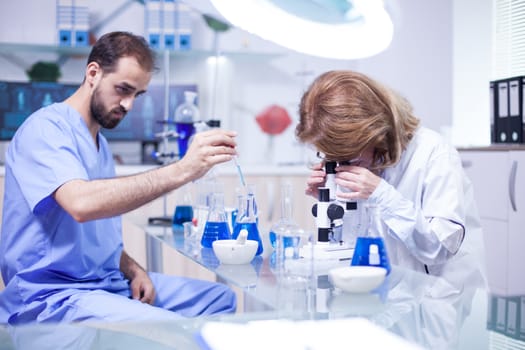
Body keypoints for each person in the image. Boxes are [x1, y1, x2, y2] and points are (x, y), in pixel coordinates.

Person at [0, 31, 238, 324]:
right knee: (163, 327)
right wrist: (182, 169)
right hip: (54, 296)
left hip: (106, 284)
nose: (128, 105)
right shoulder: (45, 130)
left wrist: (134, 269)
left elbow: (95, 241)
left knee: (219, 300)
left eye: (136, 95)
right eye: (122, 89)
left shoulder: (100, 145)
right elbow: (81, 204)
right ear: (93, 73)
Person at [296, 70, 485, 288]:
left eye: (346, 154)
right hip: (387, 298)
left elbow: (439, 248)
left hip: (440, 300)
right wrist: (329, 201)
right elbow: (359, 244)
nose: (340, 163)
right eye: (329, 155)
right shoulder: (360, 159)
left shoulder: (434, 153)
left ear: (374, 133)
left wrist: (381, 195)